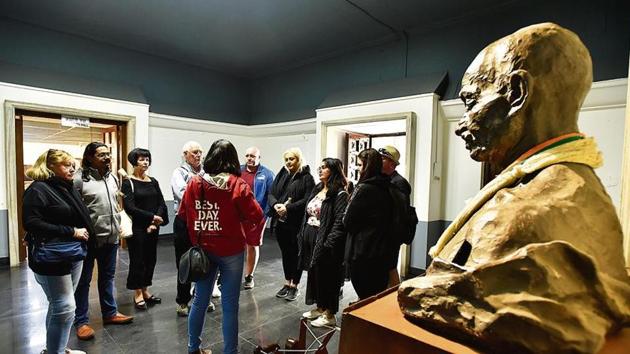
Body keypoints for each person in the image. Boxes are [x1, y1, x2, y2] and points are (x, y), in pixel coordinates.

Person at [399, 23, 630, 353]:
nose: (461, 126)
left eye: (471, 101)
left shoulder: (526, 212)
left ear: (517, 93)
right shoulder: (583, 192)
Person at [178, 139, 264, 354]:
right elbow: (257, 215)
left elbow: (182, 214)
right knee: (229, 306)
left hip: (203, 250)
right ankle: (229, 352)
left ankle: (193, 348)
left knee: (199, 301)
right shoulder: (237, 184)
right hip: (231, 251)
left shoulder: (195, 182)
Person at [23, 149, 91, 354]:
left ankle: (57, 348)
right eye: (66, 164)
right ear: (49, 166)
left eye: (73, 164)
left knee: (59, 307)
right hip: (53, 255)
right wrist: (72, 231)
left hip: (73, 252)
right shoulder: (38, 189)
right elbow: (32, 222)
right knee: (64, 307)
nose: (72, 168)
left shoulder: (65, 187)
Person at [73, 142, 132, 341]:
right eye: (101, 155)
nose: (107, 158)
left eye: (108, 154)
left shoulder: (112, 177)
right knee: (83, 281)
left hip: (111, 238)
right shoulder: (79, 179)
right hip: (89, 240)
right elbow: (74, 211)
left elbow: (116, 203)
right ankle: (81, 321)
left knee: (107, 278)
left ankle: (110, 313)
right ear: (89, 157)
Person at [171, 141, 220, 316]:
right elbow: (185, 194)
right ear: (185, 155)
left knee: (205, 261)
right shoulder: (179, 173)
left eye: (200, 152)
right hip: (184, 222)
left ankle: (202, 299)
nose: (198, 155)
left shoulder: (206, 173)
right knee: (184, 262)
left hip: (203, 221)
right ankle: (182, 301)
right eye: (194, 152)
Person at [299, 158, 348, 327]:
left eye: (324, 168)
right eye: (319, 167)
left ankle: (329, 314)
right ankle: (320, 307)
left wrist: (328, 243)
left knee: (329, 277)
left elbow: (339, 222)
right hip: (311, 236)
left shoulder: (339, 193)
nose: (320, 170)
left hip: (326, 241)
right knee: (315, 274)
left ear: (333, 171)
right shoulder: (318, 188)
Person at [343, 148, 394, 300]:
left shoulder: (364, 188)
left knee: (365, 294)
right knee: (374, 294)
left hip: (362, 250)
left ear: (367, 166)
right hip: (381, 250)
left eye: (360, 165)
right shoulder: (387, 186)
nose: (357, 168)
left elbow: (347, 221)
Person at [121, 148, 169, 310]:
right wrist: (151, 217)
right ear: (134, 161)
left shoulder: (153, 181)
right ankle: (137, 293)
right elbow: (129, 207)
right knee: (138, 260)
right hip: (137, 229)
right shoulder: (128, 182)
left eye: (147, 159)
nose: (145, 162)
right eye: (141, 159)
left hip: (153, 227)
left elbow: (161, 203)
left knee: (151, 259)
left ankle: (146, 290)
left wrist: (156, 220)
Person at [268, 147, 315, 301]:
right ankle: (287, 282)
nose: (288, 162)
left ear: (299, 159)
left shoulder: (307, 177)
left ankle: (295, 285)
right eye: (286, 159)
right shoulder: (282, 174)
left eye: (292, 159)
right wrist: (276, 205)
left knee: (295, 254)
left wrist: (287, 207)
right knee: (286, 254)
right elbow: (271, 193)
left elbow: (307, 199)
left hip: (296, 223)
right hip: (281, 222)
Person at [240, 146, 274, 289]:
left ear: (259, 158)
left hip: (257, 216)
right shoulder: (238, 170)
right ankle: (229, 276)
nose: (250, 158)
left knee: (252, 245)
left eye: (253, 156)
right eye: (247, 155)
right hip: (239, 215)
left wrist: (264, 213)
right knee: (236, 245)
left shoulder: (267, 174)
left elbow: (271, 194)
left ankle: (249, 276)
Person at [378, 145, 411, 287]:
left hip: (390, 235)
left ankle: (394, 299)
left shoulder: (399, 182)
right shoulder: (381, 179)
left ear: (392, 163)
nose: (379, 161)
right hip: (381, 234)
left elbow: (399, 213)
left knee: (390, 268)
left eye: (382, 159)